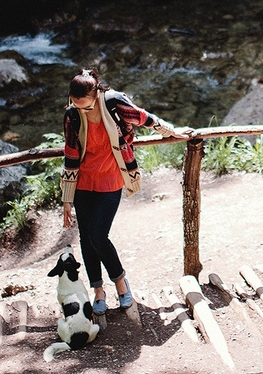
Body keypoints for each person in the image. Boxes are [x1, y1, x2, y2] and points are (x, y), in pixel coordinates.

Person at [61, 69, 194, 314]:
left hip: (111, 179)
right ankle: (98, 290)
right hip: (82, 184)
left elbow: (144, 118)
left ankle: (121, 283)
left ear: (97, 94)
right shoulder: (72, 114)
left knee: (99, 237)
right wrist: (67, 198)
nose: (82, 111)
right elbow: (70, 154)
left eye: (86, 107)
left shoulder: (113, 102)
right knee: (86, 240)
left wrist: (171, 131)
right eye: (76, 105)